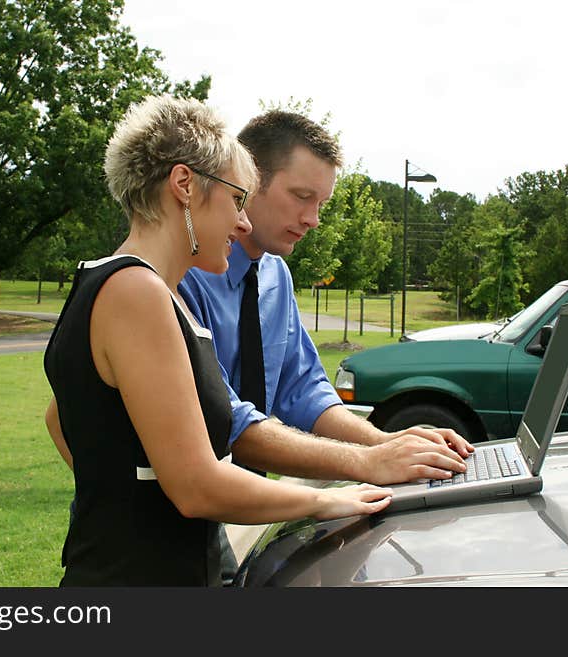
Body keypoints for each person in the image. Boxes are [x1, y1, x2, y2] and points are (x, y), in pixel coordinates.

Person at [43, 95, 392, 587]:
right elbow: (196, 486)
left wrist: (124, 491)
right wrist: (328, 498)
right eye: (236, 199)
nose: (243, 222)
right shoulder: (138, 292)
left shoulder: (135, 288)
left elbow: (65, 416)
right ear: (184, 185)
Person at [175, 111, 474, 581]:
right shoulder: (181, 275)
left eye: (322, 203)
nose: (313, 219)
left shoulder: (275, 274)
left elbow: (304, 391)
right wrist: (370, 461)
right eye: (301, 197)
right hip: (173, 527)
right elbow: (227, 420)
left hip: (229, 513)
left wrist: (391, 443)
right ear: (248, 180)